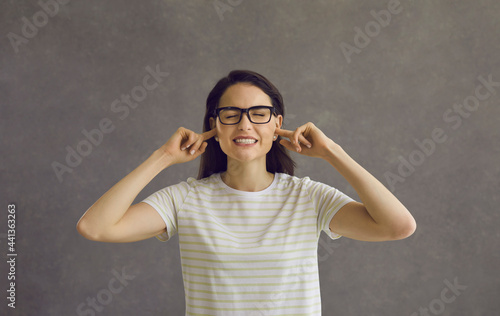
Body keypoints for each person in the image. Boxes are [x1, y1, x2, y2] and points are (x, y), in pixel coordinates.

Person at [77, 70, 416, 315]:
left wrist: (332, 152)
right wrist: (162, 157)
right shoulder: (185, 199)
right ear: (214, 126)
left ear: (276, 124)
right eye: (231, 114)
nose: (245, 125)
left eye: (259, 114)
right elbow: (95, 227)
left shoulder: (308, 198)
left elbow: (398, 226)